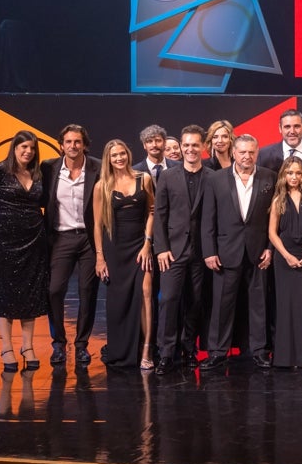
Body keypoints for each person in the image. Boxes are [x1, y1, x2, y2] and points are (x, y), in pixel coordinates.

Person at [200, 134, 277, 370]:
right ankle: (217, 351)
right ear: (234, 153)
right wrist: (209, 251)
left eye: (251, 152)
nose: (247, 156)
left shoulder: (269, 177)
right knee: (222, 304)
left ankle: (259, 350)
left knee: (259, 304)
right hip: (225, 252)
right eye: (242, 152)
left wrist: (270, 248)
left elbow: (275, 218)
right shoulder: (216, 179)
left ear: (257, 153)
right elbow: (207, 219)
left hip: (258, 252)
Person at [40, 124, 100, 368]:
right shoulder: (49, 168)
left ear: (84, 144)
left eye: (77, 142)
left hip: (89, 239)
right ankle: (59, 343)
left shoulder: (98, 167)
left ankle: (82, 345)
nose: (73, 146)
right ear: (61, 144)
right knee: (54, 290)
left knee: (88, 293)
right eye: (68, 142)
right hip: (60, 237)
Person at [93, 139, 155, 369]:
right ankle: (122, 350)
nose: (119, 158)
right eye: (114, 155)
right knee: (118, 302)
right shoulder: (102, 186)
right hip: (115, 249)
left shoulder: (144, 179)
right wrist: (100, 257)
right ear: (108, 159)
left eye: (122, 154)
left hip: (140, 246)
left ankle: (147, 351)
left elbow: (152, 212)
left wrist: (148, 244)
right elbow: (97, 225)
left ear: (128, 154)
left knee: (146, 293)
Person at [152, 125, 209, 375]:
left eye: (195, 144)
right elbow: (159, 215)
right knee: (169, 300)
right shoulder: (167, 176)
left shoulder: (213, 176)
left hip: (201, 252)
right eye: (185, 145)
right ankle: (165, 353)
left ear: (203, 147)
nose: (189, 149)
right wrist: (161, 248)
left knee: (195, 302)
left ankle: (189, 348)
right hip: (172, 251)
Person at [0, 130, 49, 373]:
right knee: (5, 294)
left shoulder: (38, 174)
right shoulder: (0, 171)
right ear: (14, 148)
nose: (28, 151)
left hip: (34, 241)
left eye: (31, 148)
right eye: (23, 147)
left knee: (29, 294)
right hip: (4, 243)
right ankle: (6, 346)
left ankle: (27, 346)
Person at [267, 158, 302, 369]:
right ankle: (283, 357)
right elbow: (272, 233)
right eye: (290, 173)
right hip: (285, 259)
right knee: (285, 306)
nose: (294, 177)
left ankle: (300, 356)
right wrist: (285, 255)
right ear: (284, 175)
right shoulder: (277, 200)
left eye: (298, 173)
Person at [257, 110, 302, 182]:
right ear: (280, 128)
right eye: (287, 127)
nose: (292, 131)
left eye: (296, 126)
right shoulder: (264, 155)